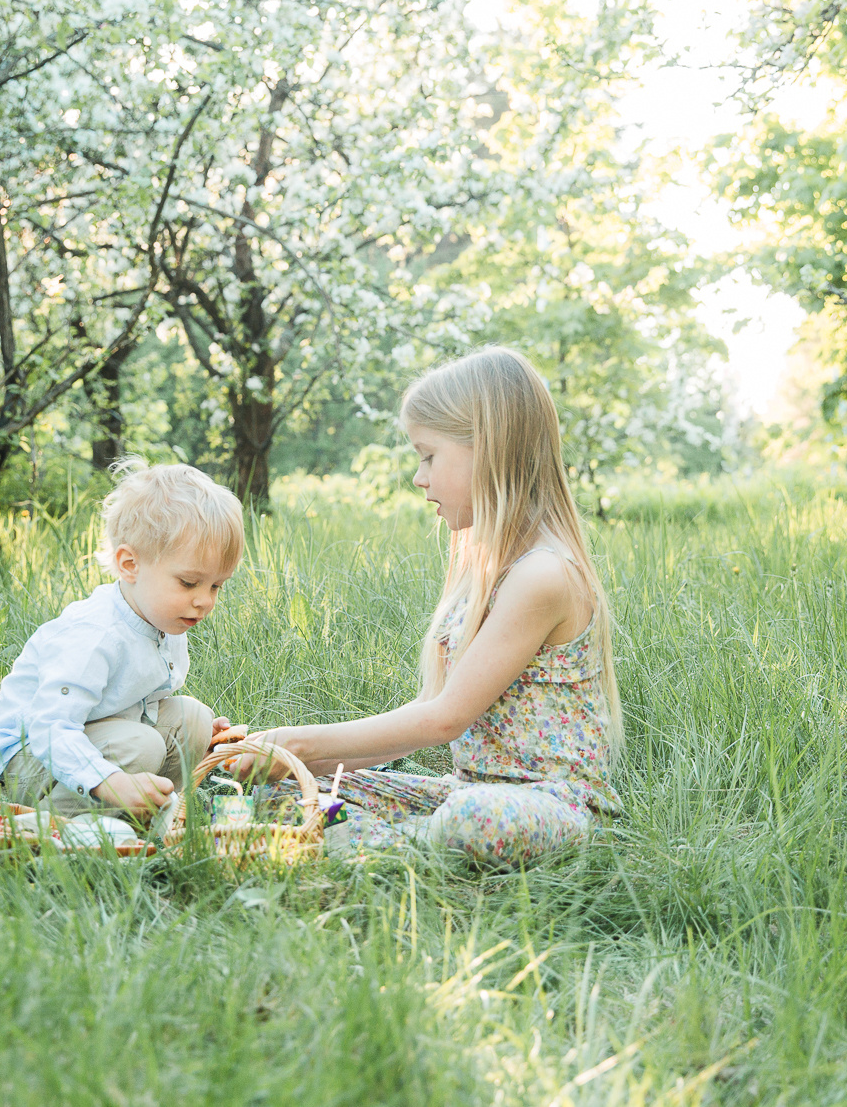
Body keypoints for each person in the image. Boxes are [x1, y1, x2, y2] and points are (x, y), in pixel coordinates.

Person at [231, 346, 623, 866]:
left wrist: (298, 741)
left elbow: (444, 722)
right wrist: (304, 762)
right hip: (461, 788)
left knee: (470, 820)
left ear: (487, 449)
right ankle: (372, 837)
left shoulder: (543, 575)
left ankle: (367, 844)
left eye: (429, 455)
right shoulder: (481, 568)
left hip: (546, 808)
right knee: (292, 791)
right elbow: (422, 714)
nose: (419, 476)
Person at [0, 461, 242, 818]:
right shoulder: (95, 634)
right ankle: (54, 826)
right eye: (189, 582)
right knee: (142, 746)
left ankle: (146, 817)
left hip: (93, 736)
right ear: (130, 565)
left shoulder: (164, 617)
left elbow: (135, 701)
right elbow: (50, 727)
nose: (204, 600)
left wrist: (202, 740)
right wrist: (109, 781)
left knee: (193, 718)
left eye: (216, 586)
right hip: (27, 761)